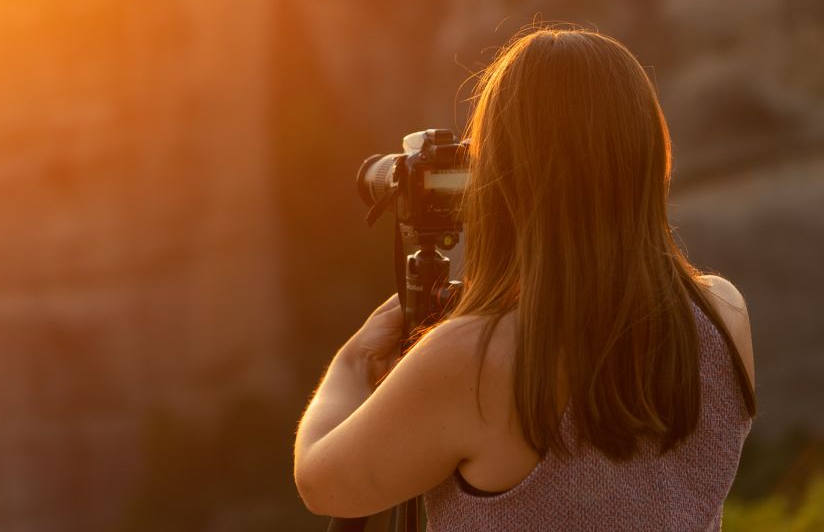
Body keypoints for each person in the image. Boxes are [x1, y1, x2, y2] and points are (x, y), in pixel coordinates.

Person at [293, 28, 756, 531]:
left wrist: (355, 360)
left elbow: (322, 482)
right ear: (646, 154)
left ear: (498, 176)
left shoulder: (470, 359)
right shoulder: (723, 316)